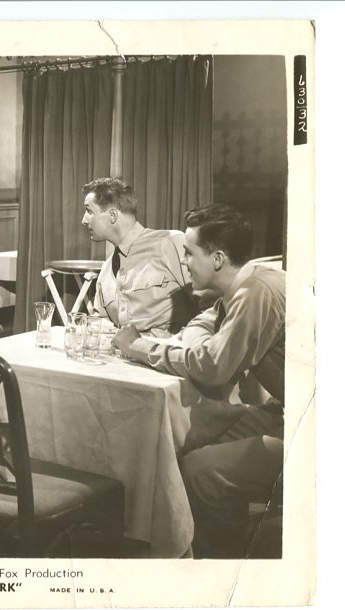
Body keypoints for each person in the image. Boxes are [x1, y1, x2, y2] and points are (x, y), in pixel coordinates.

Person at [112, 205, 285, 558]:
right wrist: (200, 347)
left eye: (189, 253)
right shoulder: (245, 283)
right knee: (191, 437)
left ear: (218, 259)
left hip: (313, 431)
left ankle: (222, 569)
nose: (184, 261)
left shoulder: (256, 294)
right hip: (286, 411)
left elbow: (211, 368)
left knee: (198, 469)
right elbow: (202, 325)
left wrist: (138, 347)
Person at [81, 177, 198, 334]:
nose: (84, 220)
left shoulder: (171, 243)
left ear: (112, 215)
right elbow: (101, 327)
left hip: (172, 348)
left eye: (89, 211)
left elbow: (209, 308)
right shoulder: (106, 271)